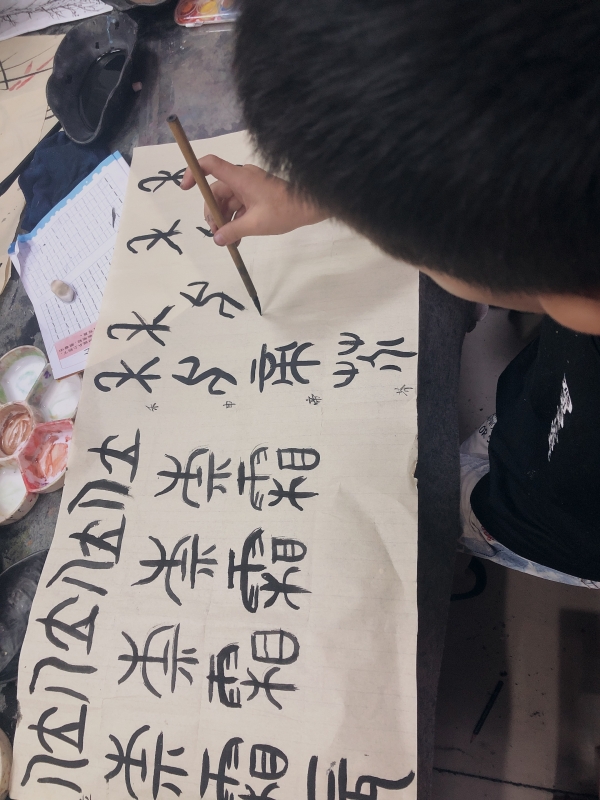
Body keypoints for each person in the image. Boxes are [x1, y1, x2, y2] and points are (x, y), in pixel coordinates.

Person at [181, 0, 600, 586]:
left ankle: (478, 525)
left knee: (407, 510)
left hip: (543, 518)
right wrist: (339, 193)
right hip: (541, 411)